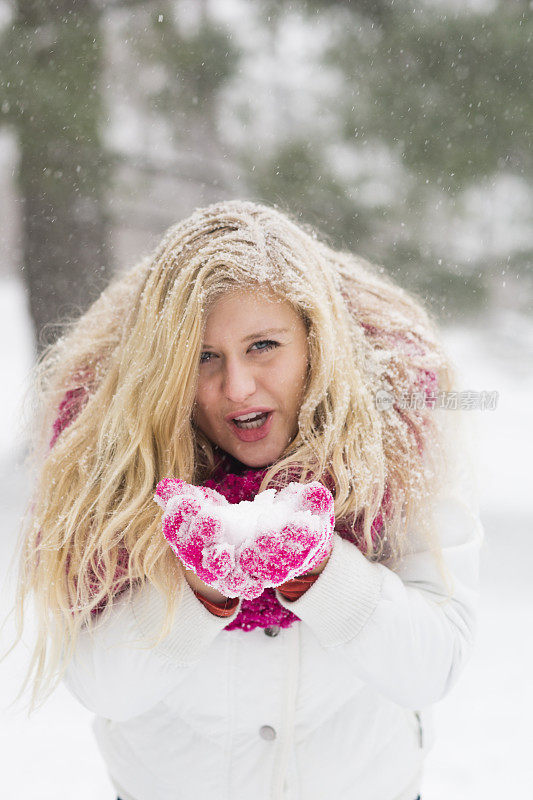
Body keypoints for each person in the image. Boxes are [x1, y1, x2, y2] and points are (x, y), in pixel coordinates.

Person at [13, 199, 483, 800]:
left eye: (263, 346)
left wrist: (321, 572)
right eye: (204, 357)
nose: (236, 387)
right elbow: (104, 687)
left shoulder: (399, 434)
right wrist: (198, 590)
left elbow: (432, 665)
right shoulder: (105, 453)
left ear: (317, 341)